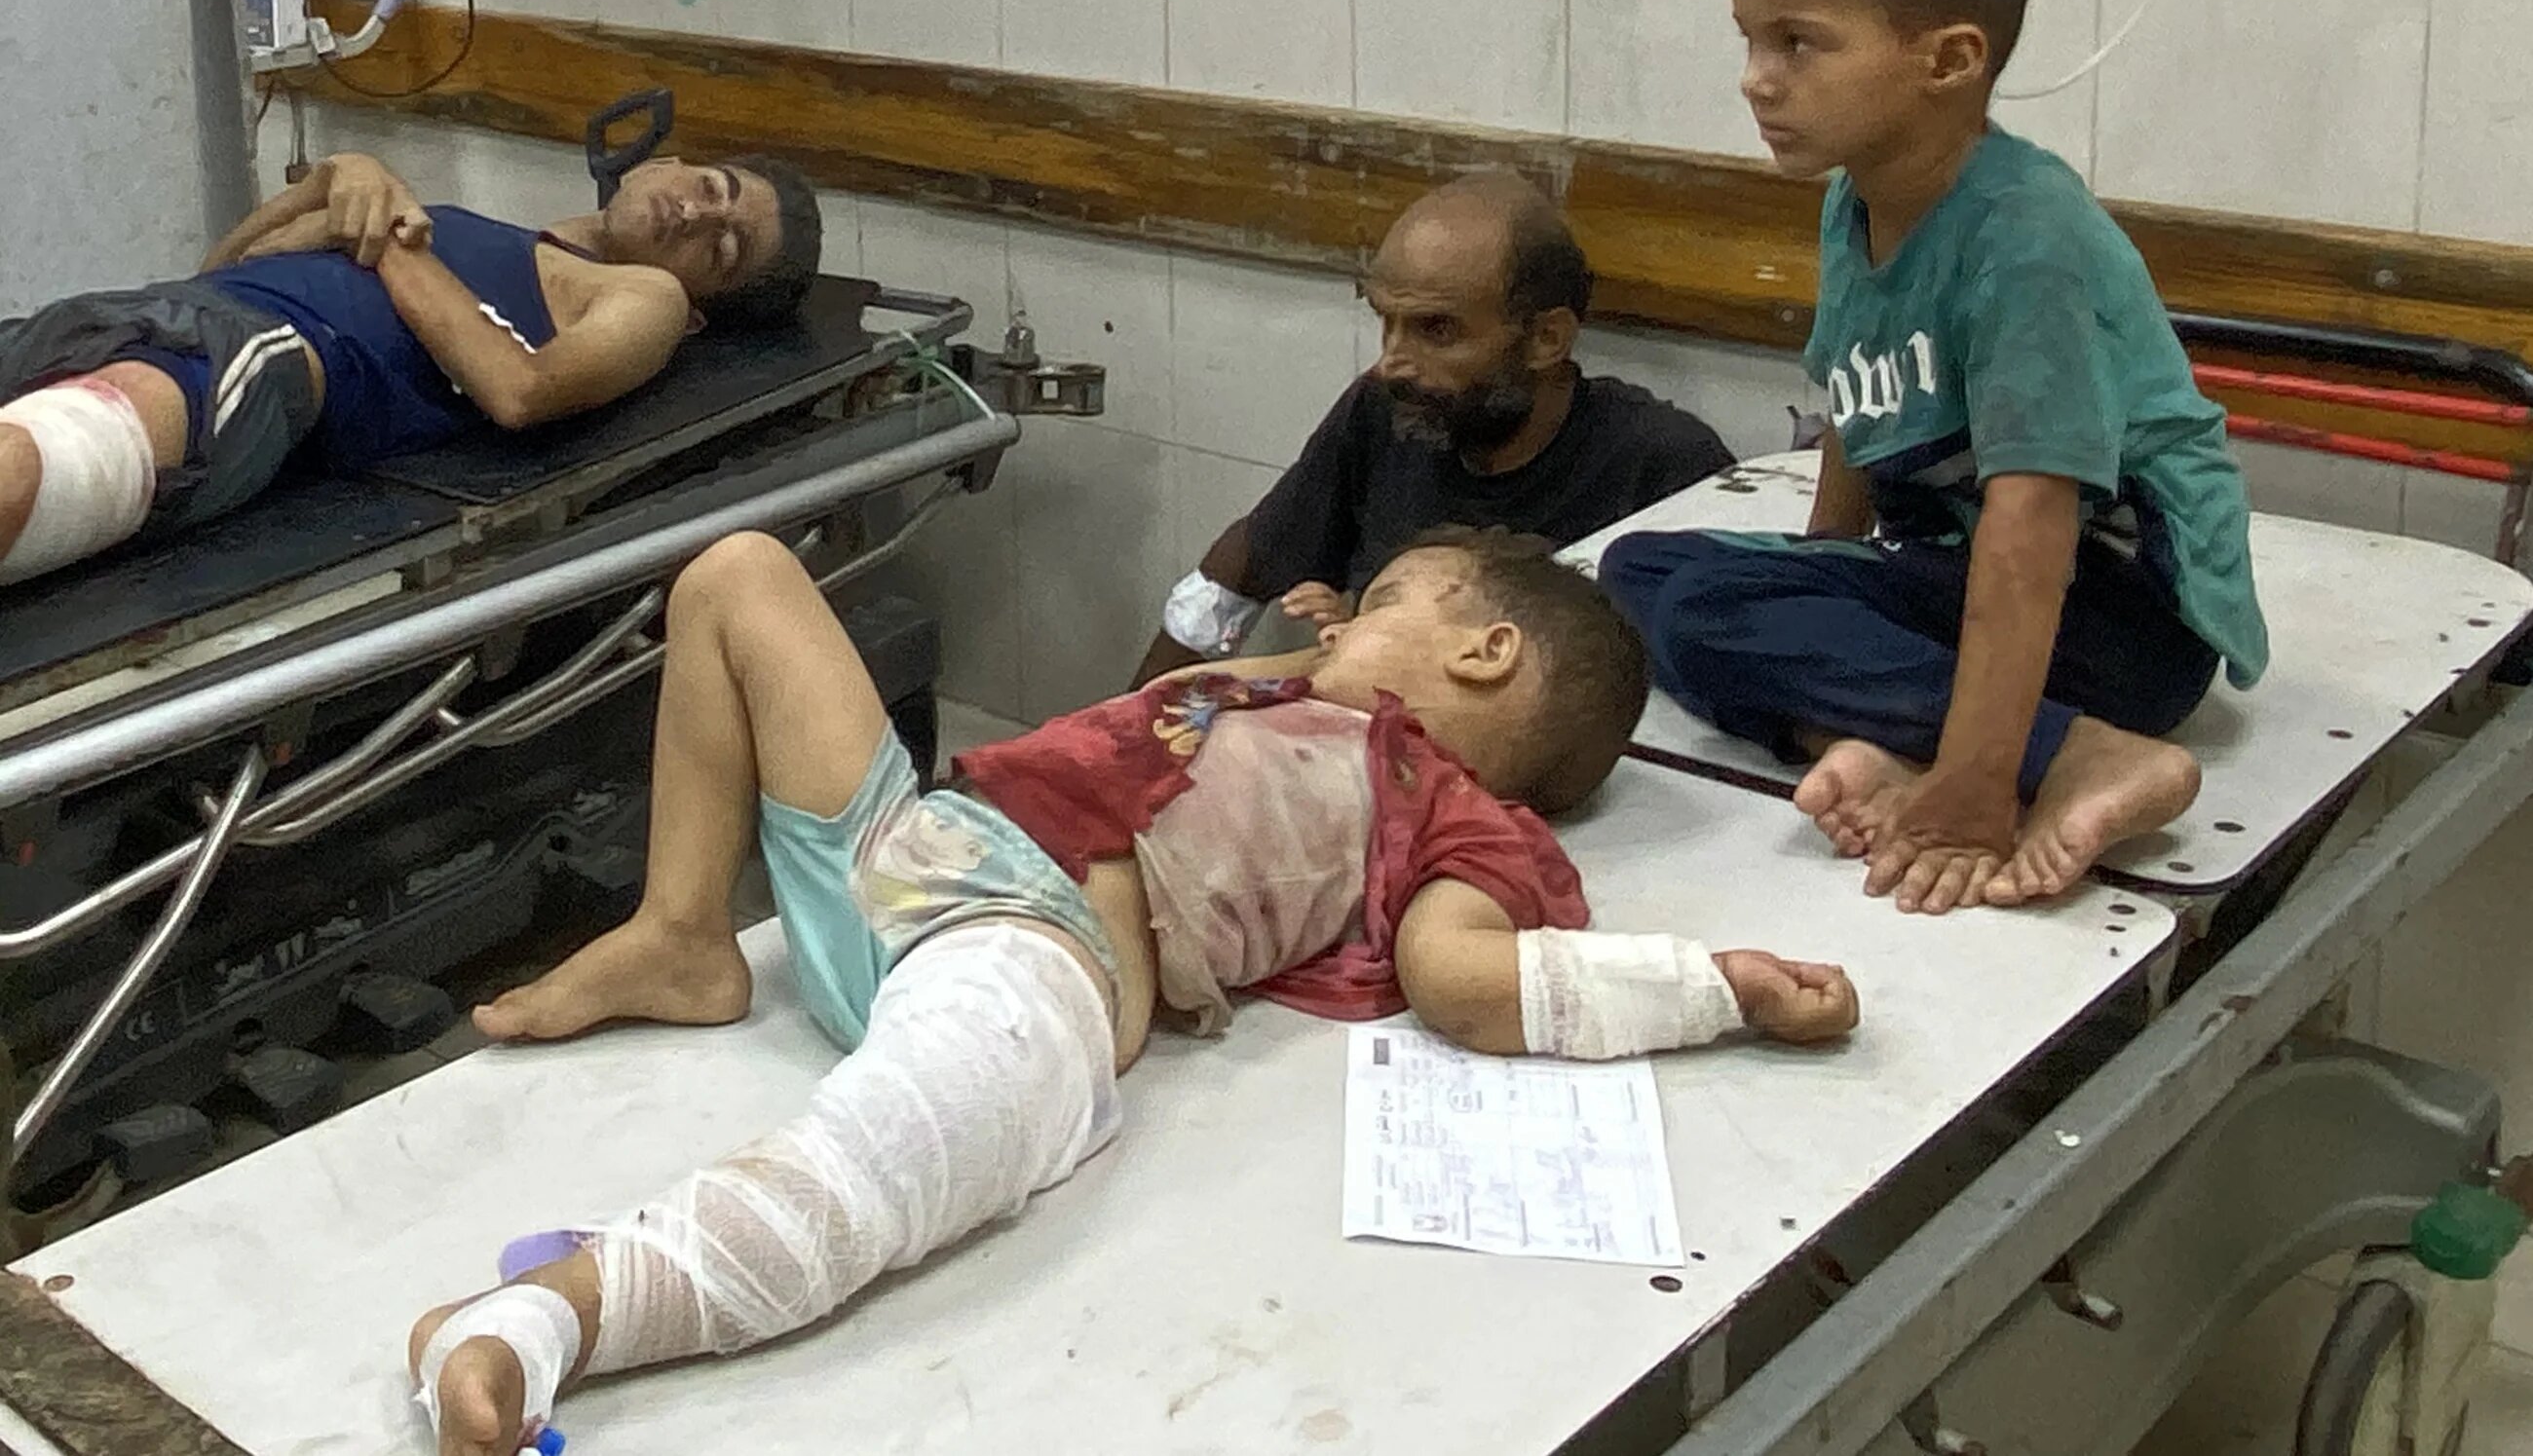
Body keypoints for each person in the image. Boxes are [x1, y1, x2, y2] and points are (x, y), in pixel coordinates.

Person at [404, 526, 1859, 1454]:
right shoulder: (1293, 692)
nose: (1338, 623)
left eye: (1384, 604)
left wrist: (1709, 986)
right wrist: (1324, 646)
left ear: (1484, 655)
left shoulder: (1442, 802)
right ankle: (684, 931)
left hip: (1034, 945)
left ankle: (553, 1315)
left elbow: (1462, 980)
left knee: (893, 1154)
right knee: (736, 574)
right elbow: (1233, 680)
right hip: (918, 846)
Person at [1600, 0, 2267, 918]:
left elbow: (2031, 531)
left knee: (1713, 611)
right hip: (1956, 582)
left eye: (1797, 42)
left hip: (2119, 621)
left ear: (1948, 60)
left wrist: (1975, 790)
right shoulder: (1855, 194)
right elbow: (1854, 394)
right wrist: (1819, 579)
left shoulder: (2025, 238)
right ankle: (1875, 735)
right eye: (1749, 39)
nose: (1755, 77)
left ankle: (2079, 754)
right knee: (1640, 570)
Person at [0, 147, 821, 585]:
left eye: (722, 248)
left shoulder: (649, 297)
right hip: (147, 316)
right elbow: (220, 271)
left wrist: (387, 230)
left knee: (17, 472)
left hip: (269, 360)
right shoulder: (479, 230)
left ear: (702, 307)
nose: (697, 211)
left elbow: (520, 390)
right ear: (663, 162)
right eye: (712, 186)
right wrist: (340, 178)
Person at [1132, 170, 1735, 686]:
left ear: (1546, 339)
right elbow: (1247, 559)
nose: (1391, 362)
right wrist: (1120, 730)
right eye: (1386, 322)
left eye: (1436, 330)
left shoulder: (1662, 467)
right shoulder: (1385, 411)